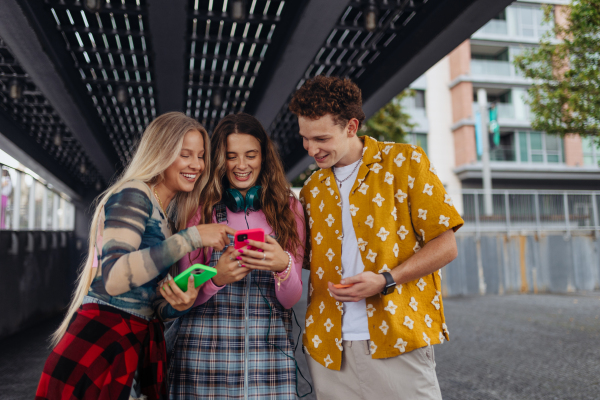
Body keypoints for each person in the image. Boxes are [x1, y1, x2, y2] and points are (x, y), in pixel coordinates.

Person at [35, 112, 235, 400]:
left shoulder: (164, 215)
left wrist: (180, 301)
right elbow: (115, 279)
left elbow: (148, 303)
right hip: (105, 340)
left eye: (201, 155)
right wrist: (193, 237)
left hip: (136, 342)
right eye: (185, 154)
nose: (197, 165)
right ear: (161, 153)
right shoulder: (134, 194)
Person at [290, 76, 464, 400]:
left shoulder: (406, 162)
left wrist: (386, 280)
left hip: (397, 338)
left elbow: (446, 244)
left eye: (321, 138)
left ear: (351, 127)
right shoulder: (312, 189)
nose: (311, 149)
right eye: (305, 138)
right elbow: (305, 259)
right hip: (328, 349)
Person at [168, 112, 306, 399]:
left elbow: (290, 300)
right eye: (231, 156)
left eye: (251, 155)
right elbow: (183, 294)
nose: (241, 165)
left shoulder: (289, 210)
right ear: (219, 159)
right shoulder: (198, 208)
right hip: (203, 359)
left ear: (264, 158)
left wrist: (284, 266)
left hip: (269, 360)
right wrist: (216, 278)